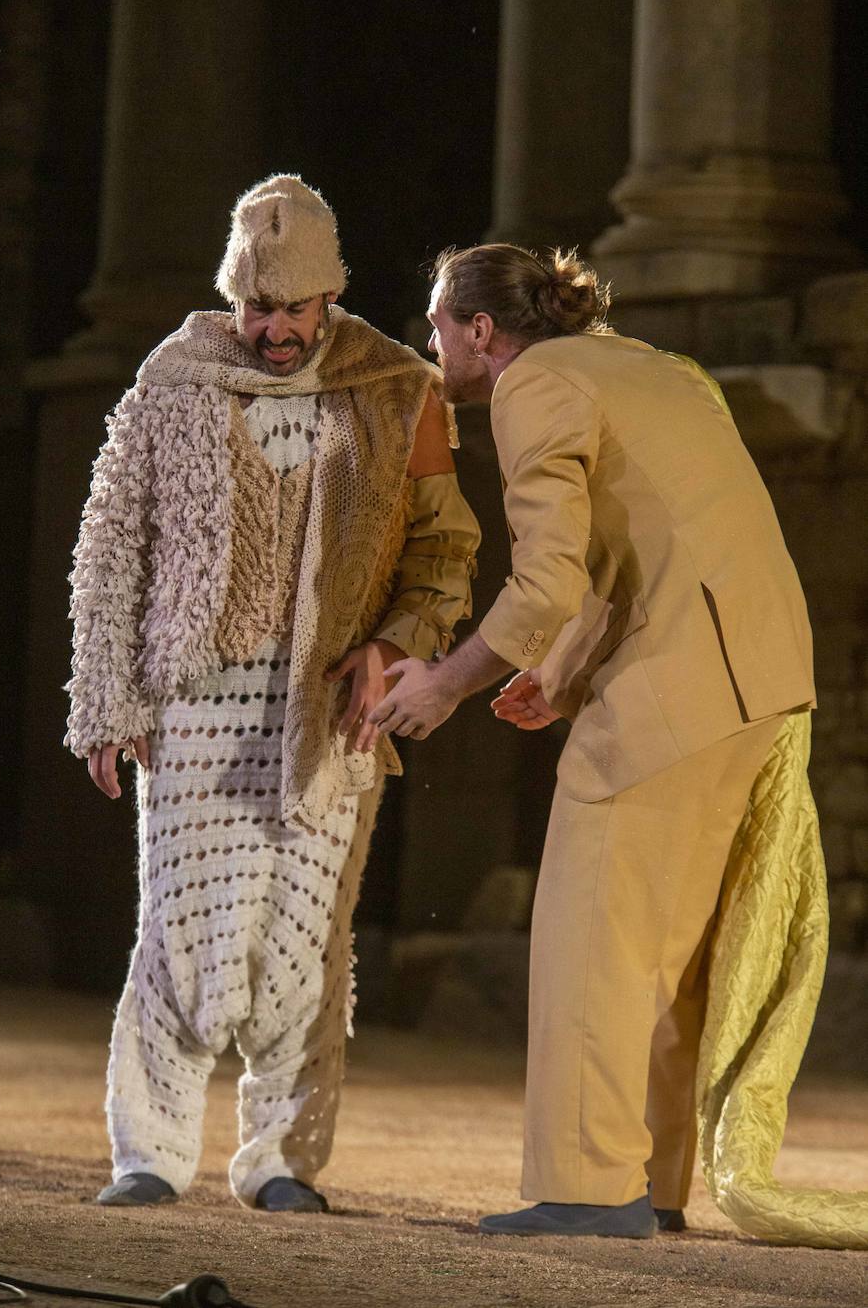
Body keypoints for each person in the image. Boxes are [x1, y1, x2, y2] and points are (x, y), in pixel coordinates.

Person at [369, 242, 815, 1238]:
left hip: (683, 683)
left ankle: (587, 1188)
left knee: (592, 933)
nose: (430, 339)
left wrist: (445, 681)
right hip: (758, 674)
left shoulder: (535, 387)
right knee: (666, 950)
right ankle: (649, 1184)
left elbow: (548, 579)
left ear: (483, 333)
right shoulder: (643, 364)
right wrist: (558, 677)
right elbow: (652, 542)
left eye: (439, 322)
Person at [65, 175, 480, 1213]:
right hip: (194, 695)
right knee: (181, 927)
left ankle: (283, 1162)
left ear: (329, 299)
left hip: (328, 702)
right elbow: (111, 544)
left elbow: (445, 549)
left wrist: (396, 646)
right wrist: (104, 698)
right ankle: (149, 1157)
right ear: (234, 299)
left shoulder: (395, 386)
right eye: (259, 308)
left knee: (304, 936)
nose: (275, 329)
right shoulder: (177, 375)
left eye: (295, 309)